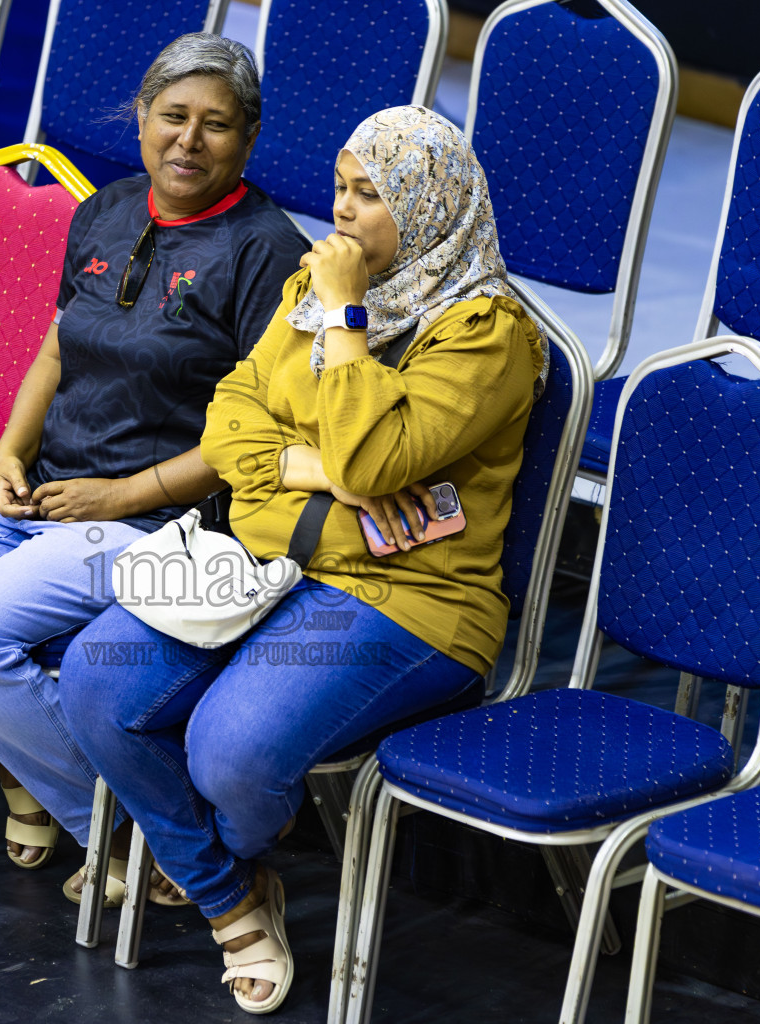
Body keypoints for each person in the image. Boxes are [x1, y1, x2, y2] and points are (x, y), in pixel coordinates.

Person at [58, 105, 549, 1014]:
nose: (345, 216)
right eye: (339, 189)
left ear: (428, 206)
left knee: (230, 754)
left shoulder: (488, 335)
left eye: (371, 195)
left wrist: (346, 319)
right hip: (272, 554)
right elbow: (233, 415)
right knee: (94, 679)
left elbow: (373, 461)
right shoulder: (311, 286)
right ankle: (230, 894)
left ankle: (197, 867)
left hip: (410, 598)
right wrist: (302, 465)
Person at [0, 32, 308, 895]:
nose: (189, 141)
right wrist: (11, 447)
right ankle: (25, 775)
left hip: (165, 522)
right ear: (141, 117)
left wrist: (119, 496)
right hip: (47, 491)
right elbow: (56, 348)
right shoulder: (107, 208)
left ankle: (131, 834)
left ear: (251, 137)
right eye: (173, 117)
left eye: (217, 125)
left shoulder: (267, 249)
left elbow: (256, 443)